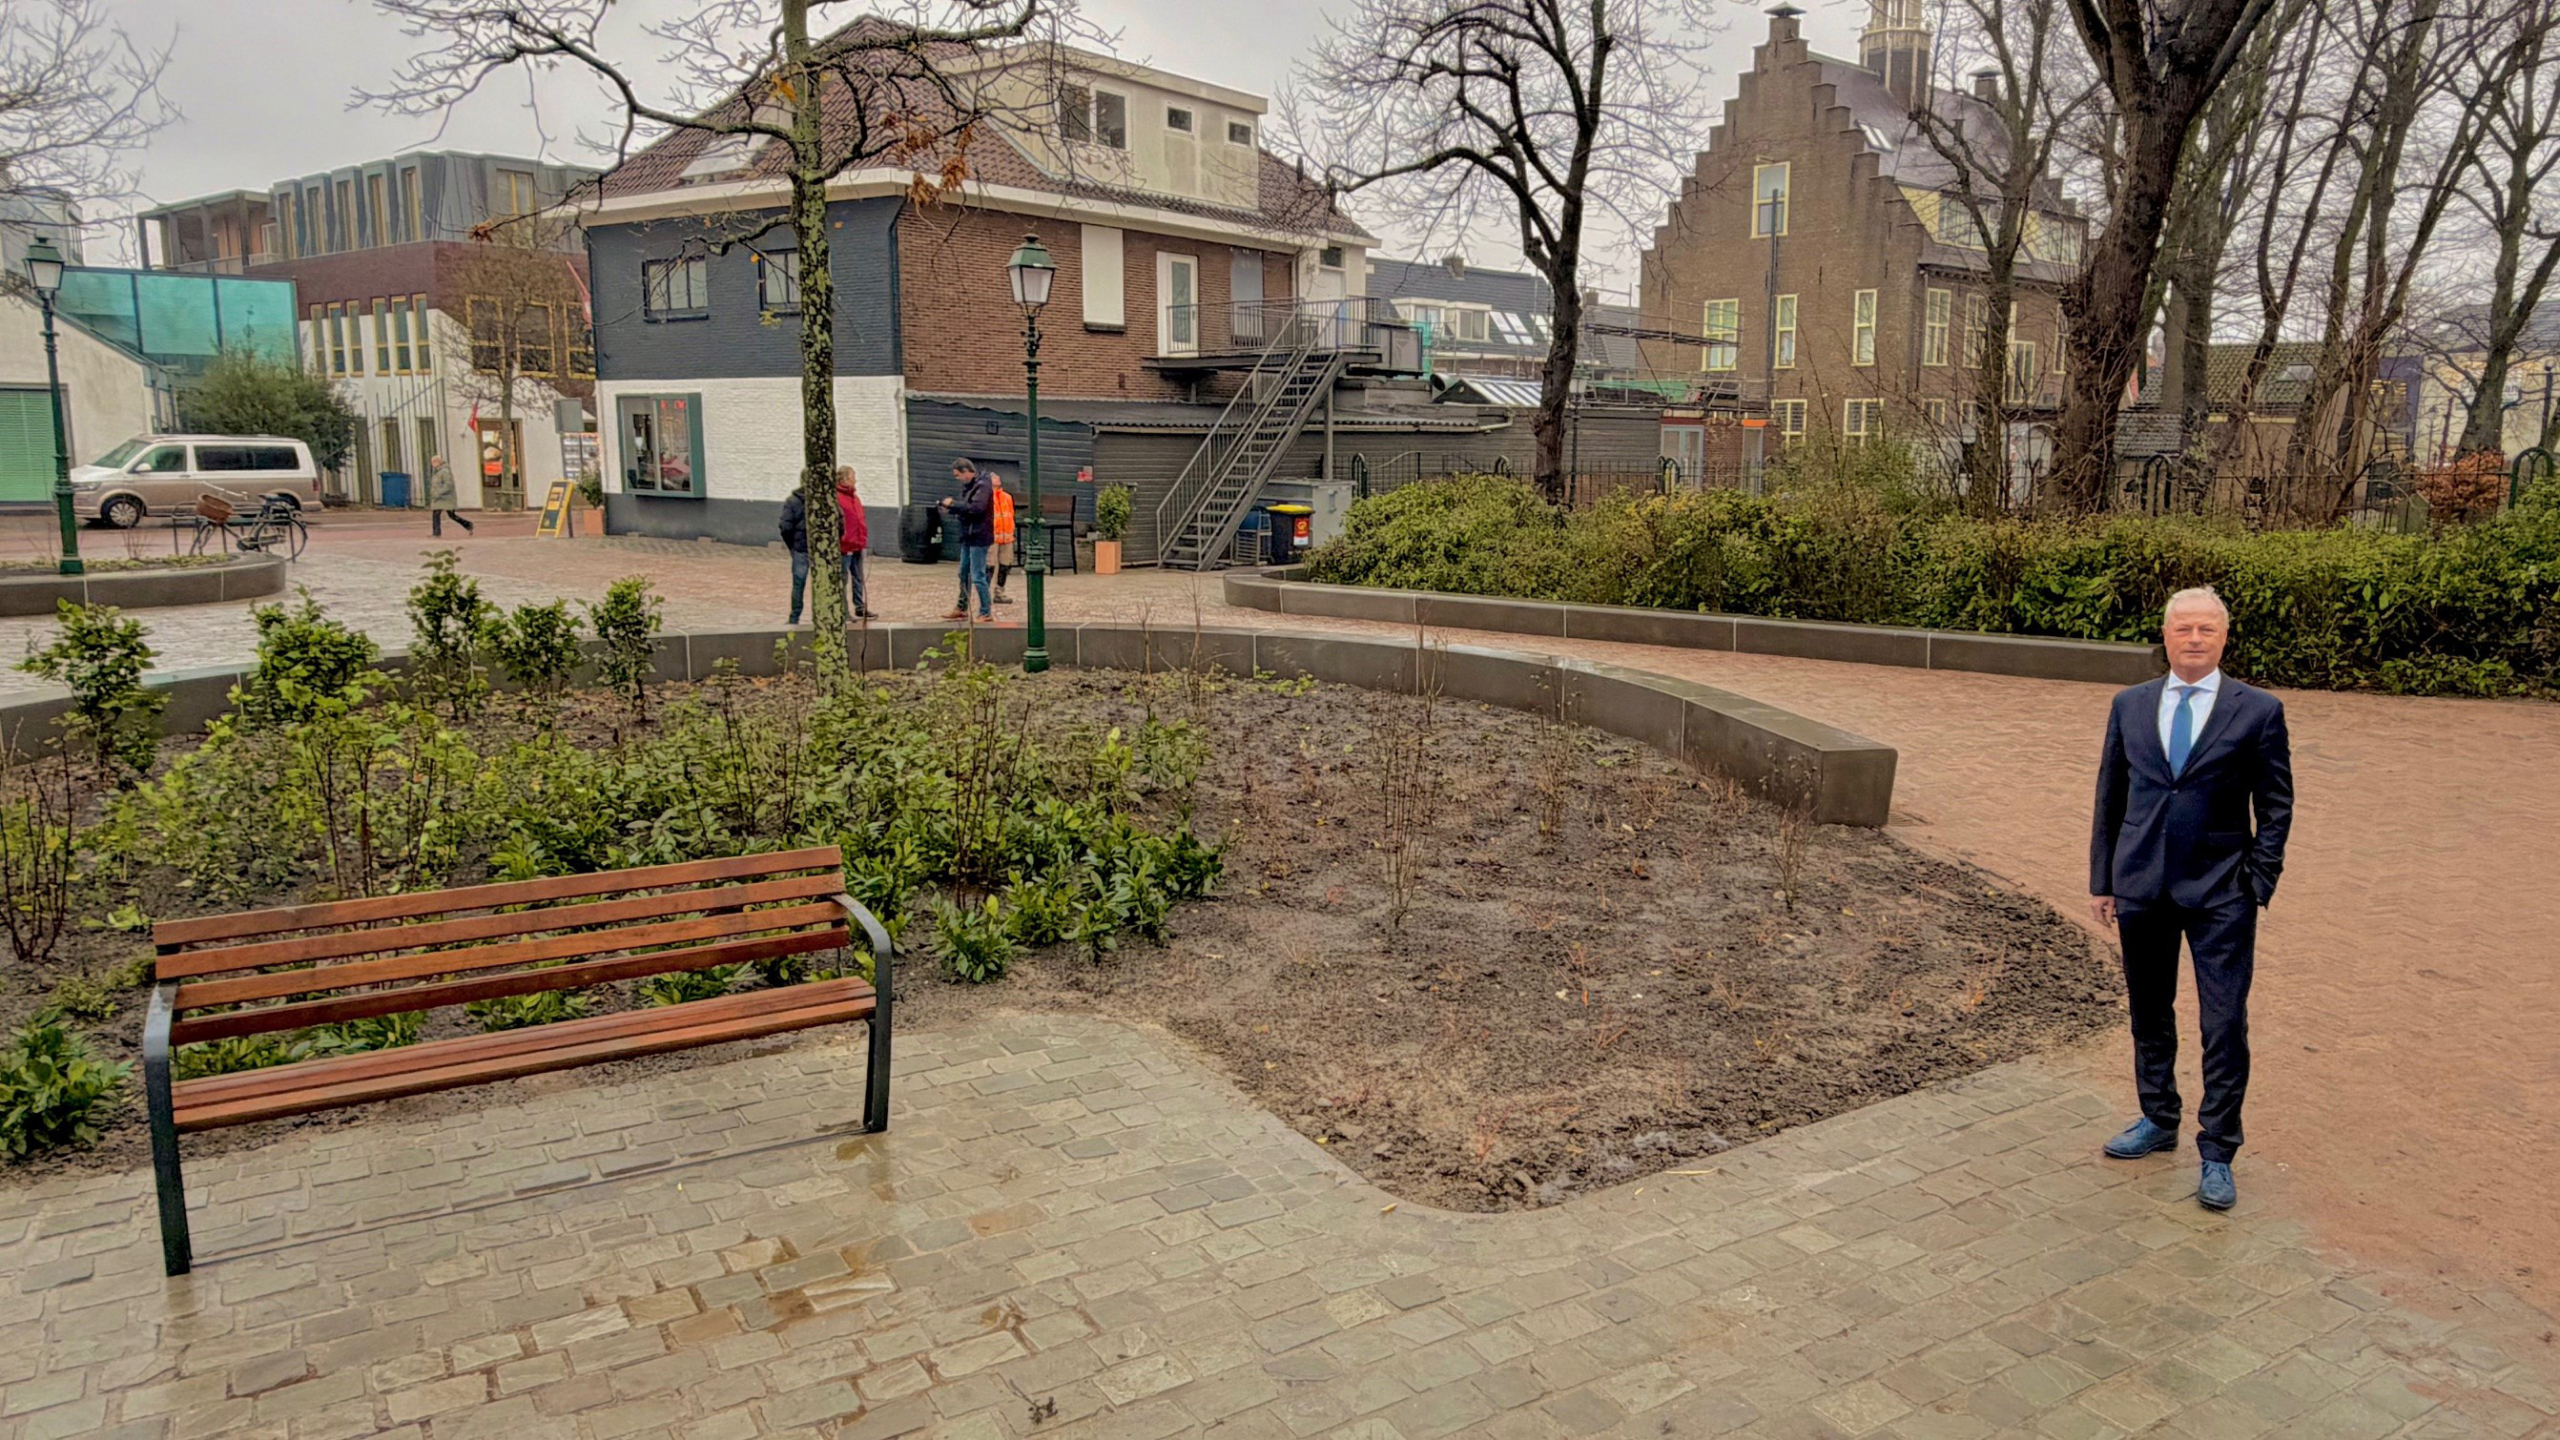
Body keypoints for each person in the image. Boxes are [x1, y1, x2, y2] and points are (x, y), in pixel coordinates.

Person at [2089, 587, 2293, 1212]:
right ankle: (2158, 1116)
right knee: (2149, 1009)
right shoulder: (2130, 705)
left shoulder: (2258, 711)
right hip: (2142, 884)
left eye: (2207, 629)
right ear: (2166, 635)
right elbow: (2110, 796)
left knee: (2223, 1023)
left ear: (2224, 637)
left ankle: (2218, 1151)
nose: (2195, 639)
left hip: (2221, 891)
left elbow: (2276, 805)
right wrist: (2103, 880)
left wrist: (2257, 880)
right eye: (2184, 629)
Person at [780, 469, 874, 624]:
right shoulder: (827, 499)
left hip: (803, 548)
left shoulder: (794, 501)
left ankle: (795, 618)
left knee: (800, 583)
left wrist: (794, 546)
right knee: (822, 583)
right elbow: (840, 521)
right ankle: (820, 615)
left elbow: (786, 528)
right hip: (819, 549)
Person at [939, 457, 994, 622]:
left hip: (979, 536)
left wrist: (953, 505)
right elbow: (967, 509)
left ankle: (985, 611)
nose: (958, 479)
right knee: (963, 572)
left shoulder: (983, 486)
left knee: (977, 575)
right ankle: (962, 607)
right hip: (968, 535)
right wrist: (951, 509)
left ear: (966, 472)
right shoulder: (971, 486)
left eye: (958, 475)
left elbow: (976, 508)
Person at [427, 455, 473, 536]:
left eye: (434, 461)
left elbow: (448, 484)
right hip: (440, 498)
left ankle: (468, 524)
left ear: (438, 462)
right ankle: (436, 532)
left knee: (451, 515)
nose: (432, 464)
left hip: (445, 497)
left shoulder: (444, 472)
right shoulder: (437, 472)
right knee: (437, 513)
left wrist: (439, 492)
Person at [990, 472, 1018, 605]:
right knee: (989, 565)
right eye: (994, 477)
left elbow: (1011, 514)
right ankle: (986, 594)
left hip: (1006, 536)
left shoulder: (1007, 497)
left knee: (1005, 565)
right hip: (992, 536)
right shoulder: (986, 497)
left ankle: (999, 592)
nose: (998, 478)